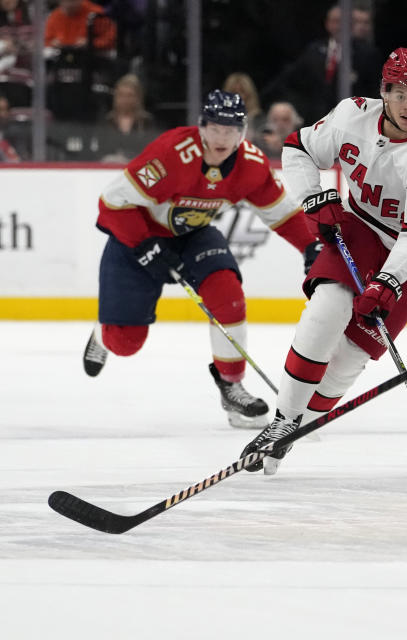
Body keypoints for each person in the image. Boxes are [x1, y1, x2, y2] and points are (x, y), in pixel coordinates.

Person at [240, 48, 407, 475]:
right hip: (359, 228)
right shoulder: (351, 116)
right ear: (384, 91)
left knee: (348, 361)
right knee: (327, 309)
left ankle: (295, 432)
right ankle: (282, 423)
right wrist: (313, 198)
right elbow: (298, 148)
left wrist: (389, 281)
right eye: (400, 94)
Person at [82, 90, 318, 429]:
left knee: (228, 295)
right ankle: (103, 334)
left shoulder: (250, 165)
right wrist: (145, 244)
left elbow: (281, 213)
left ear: (243, 131)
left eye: (231, 130)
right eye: (215, 128)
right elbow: (112, 202)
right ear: (201, 128)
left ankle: (232, 386)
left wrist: (311, 246)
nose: (222, 138)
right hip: (137, 235)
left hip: (192, 235)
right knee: (126, 343)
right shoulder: (171, 155)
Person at [95, 73, 157, 163]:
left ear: (138, 98)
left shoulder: (147, 122)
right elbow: (100, 152)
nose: (124, 100)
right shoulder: (106, 121)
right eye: (121, 95)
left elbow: (153, 152)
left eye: (129, 95)